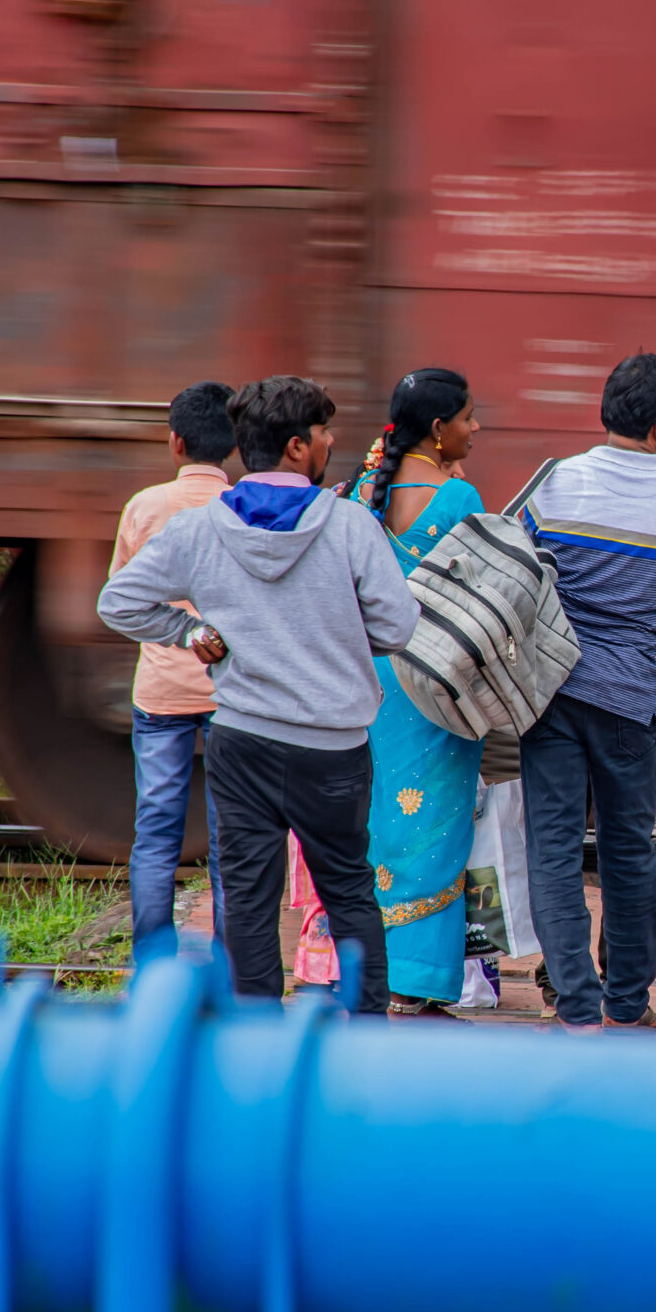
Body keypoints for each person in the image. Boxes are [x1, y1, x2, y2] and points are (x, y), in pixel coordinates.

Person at [97, 375, 418, 1012]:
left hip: (242, 741)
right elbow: (398, 626)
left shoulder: (201, 530)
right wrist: (336, 640)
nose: (331, 443)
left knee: (247, 897)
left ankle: (255, 1042)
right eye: (325, 432)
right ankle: (366, 1032)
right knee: (349, 890)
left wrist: (190, 630)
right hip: (334, 747)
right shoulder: (351, 526)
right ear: (298, 448)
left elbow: (119, 602)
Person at [519, 353, 656, 1032]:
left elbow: (521, 567)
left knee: (555, 848)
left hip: (550, 691)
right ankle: (627, 1001)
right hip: (628, 697)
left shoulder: (554, 482)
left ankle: (574, 1001)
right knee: (629, 849)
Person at [338, 367, 486, 1018]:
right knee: (437, 826)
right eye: (468, 417)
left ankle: (369, 969)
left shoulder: (359, 492)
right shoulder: (460, 499)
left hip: (369, 684)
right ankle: (421, 978)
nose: (474, 429)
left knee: (378, 827)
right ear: (438, 428)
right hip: (435, 688)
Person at [108, 381, 237, 953]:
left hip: (161, 697)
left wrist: (180, 631)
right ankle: (236, 961)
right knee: (232, 836)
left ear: (176, 443)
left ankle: (152, 961)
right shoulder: (241, 506)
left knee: (156, 833)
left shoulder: (147, 506)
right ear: (233, 445)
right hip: (233, 697)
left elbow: (123, 602)